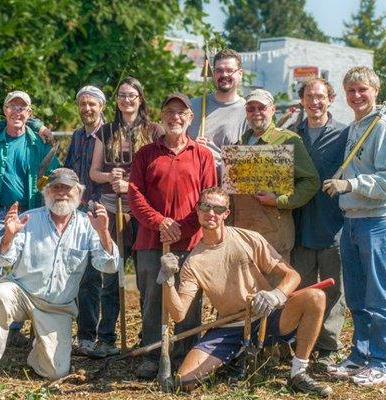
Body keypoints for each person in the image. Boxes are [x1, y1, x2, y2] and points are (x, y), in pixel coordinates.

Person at [159, 187, 333, 397]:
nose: (211, 213)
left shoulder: (249, 238)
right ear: (197, 210)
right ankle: (236, 356)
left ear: (226, 213)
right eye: (205, 206)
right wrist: (167, 281)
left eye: (218, 208)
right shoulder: (194, 262)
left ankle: (298, 373)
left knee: (315, 297)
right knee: (184, 381)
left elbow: (292, 276)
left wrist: (275, 295)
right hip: (229, 326)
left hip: (267, 314)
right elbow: (178, 314)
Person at [0, 168, 119, 392]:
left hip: (57, 306)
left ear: (79, 194)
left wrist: (104, 233)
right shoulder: (29, 219)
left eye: (68, 188)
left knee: (55, 372)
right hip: (21, 292)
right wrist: (8, 236)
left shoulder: (89, 225)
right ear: (46, 193)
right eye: (56, 188)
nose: (62, 193)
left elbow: (109, 266)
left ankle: (39, 350)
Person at [323, 67, 386, 387]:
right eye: (351, 91)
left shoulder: (383, 127)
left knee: (381, 296)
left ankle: (383, 363)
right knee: (357, 296)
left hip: (380, 220)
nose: (356, 96)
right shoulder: (360, 125)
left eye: (362, 90)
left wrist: (350, 185)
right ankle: (360, 355)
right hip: (355, 220)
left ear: (375, 89)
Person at [128, 93, 216, 379]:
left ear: (190, 118)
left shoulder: (202, 155)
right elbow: (135, 194)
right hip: (152, 243)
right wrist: (159, 222)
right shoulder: (146, 154)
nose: (175, 117)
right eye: (169, 112)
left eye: (181, 113)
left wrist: (183, 226)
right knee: (153, 298)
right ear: (161, 117)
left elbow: (208, 198)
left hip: (190, 244)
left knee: (187, 300)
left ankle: (183, 354)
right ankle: (153, 355)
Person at [0, 90, 60, 346]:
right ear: (4, 112)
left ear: (30, 113)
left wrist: (34, 125)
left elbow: (55, 175)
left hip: (30, 212)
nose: (17, 112)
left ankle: (14, 329)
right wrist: (23, 121)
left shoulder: (39, 144)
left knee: (27, 269)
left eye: (23, 109)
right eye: (12, 107)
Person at [86, 77, 164, 358]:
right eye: (121, 96)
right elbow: (94, 172)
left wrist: (130, 185)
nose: (127, 100)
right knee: (112, 275)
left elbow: (159, 172)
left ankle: (147, 337)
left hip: (141, 211)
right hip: (112, 208)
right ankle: (106, 337)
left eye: (132, 95)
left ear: (141, 98)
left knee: (145, 276)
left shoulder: (155, 132)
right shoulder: (105, 132)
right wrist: (109, 177)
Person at [289, 79, 348, 367]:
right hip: (300, 224)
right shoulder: (292, 136)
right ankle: (301, 344)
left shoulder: (344, 134)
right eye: (309, 96)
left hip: (333, 224)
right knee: (301, 288)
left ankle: (327, 347)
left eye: (320, 96)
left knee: (333, 290)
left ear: (331, 99)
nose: (315, 101)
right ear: (301, 100)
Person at [233, 89, 319, 261]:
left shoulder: (288, 140)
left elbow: (311, 181)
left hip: (273, 238)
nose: (256, 113)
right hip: (242, 236)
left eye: (261, 108)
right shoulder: (240, 143)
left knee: (273, 288)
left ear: (272, 110)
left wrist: (280, 200)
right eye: (251, 109)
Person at [64, 85, 109, 358]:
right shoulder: (78, 136)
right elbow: (71, 169)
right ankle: (70, 331)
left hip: (100, 211)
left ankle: (89, 336)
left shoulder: (109, 135)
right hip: (75, 212)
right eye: (83, 104)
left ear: (101, 106)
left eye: (92, 104)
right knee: (74, 273)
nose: (87, 109)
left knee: (93, 277)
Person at [188, 49, 249, 179]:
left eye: (229, 70)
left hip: (228, 190)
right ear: (213, 73)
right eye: (219, 70)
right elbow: (173, 143)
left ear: (240, 73)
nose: (224, 74)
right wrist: (190, 146)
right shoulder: (191, 106)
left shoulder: (249, 111)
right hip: (192, 184)